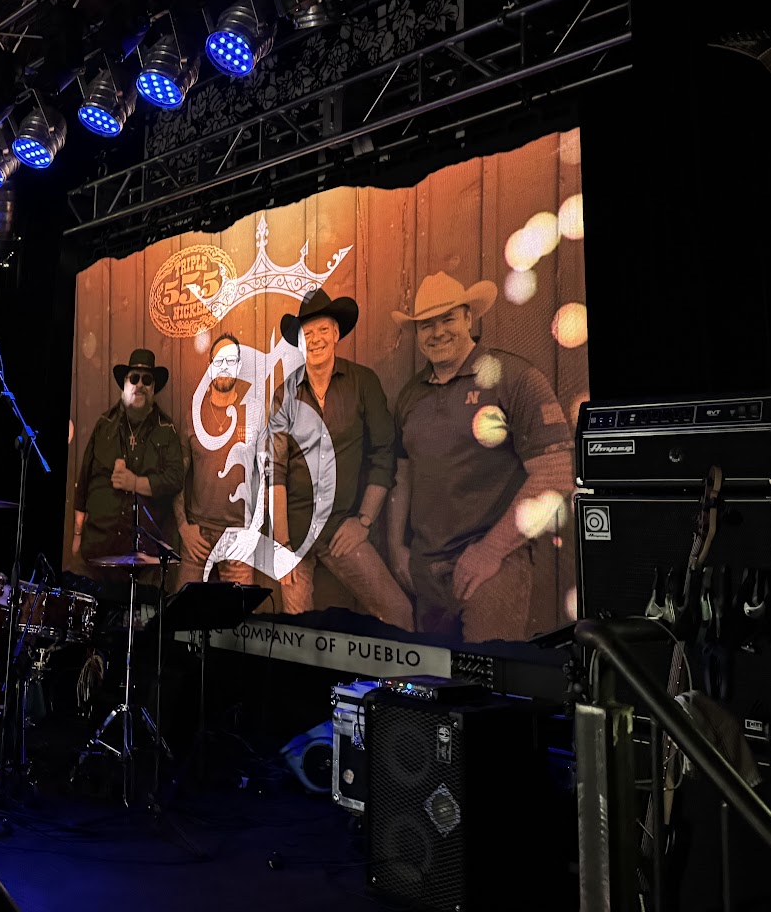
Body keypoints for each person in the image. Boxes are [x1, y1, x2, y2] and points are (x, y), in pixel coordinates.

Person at [385, 272, 573, 642]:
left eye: (448, 319)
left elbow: (555, 474)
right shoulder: (411, 396)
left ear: (469, 318)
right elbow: (401, 478)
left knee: (488, 675)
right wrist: (395, 548)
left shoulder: (513, 378)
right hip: (427, 571)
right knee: (436, 676)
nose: (437, 332)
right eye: (426, 325)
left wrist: (491, 551)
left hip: (493, 568)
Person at [269, 289, 413, 630]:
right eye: (307, 333)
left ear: (336, 333)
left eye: (323, 330)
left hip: (340, 528)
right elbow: (275, 470)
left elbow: (385, 454)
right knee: (297, 634)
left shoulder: (363, 382)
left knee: (399, 613)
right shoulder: (285, 393)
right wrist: (282, 545)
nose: (315, 339)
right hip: (296, 532)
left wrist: (363, 521)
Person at [71, 348, 186, 569]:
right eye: (134, 378)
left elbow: (175, 479)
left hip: (144, 554)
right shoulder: (104, 425)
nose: (140, 385)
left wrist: (136, 483)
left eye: (147, 380)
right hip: (99, 546)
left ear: (153, 388)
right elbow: (84, 483)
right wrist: (77, 535)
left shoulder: (166, 429)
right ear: (124, 384)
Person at [174, 334, 255, 587]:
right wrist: (184, 527)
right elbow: (177, 477)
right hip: (198, 535)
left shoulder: (253, 413)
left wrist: (252, 533)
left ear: (239, 366)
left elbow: (268, 477)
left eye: (231, 360)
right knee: (184, 608)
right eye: (218, 360)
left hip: (238, 537)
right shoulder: (193, 416)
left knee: (238, 611)